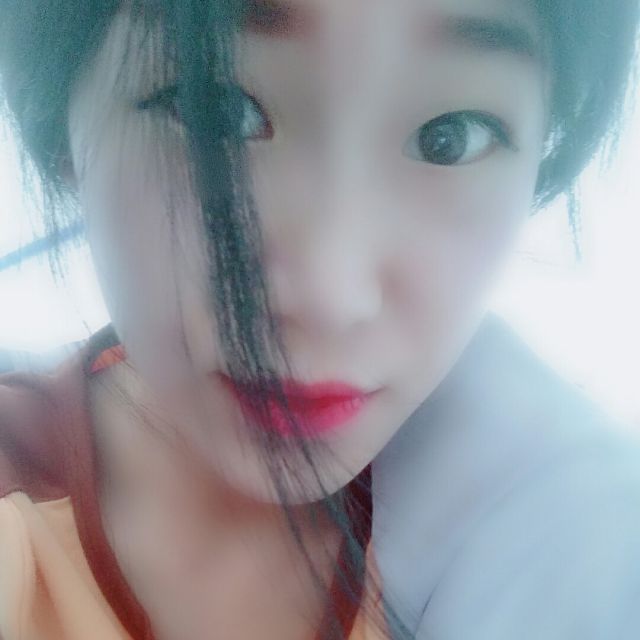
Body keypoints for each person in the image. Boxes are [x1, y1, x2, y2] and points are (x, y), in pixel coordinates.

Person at [1, 1, 639, 638]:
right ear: (61, 132)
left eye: (449, 137)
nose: (332, 299)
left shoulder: (567, 536)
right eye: (215, 110)